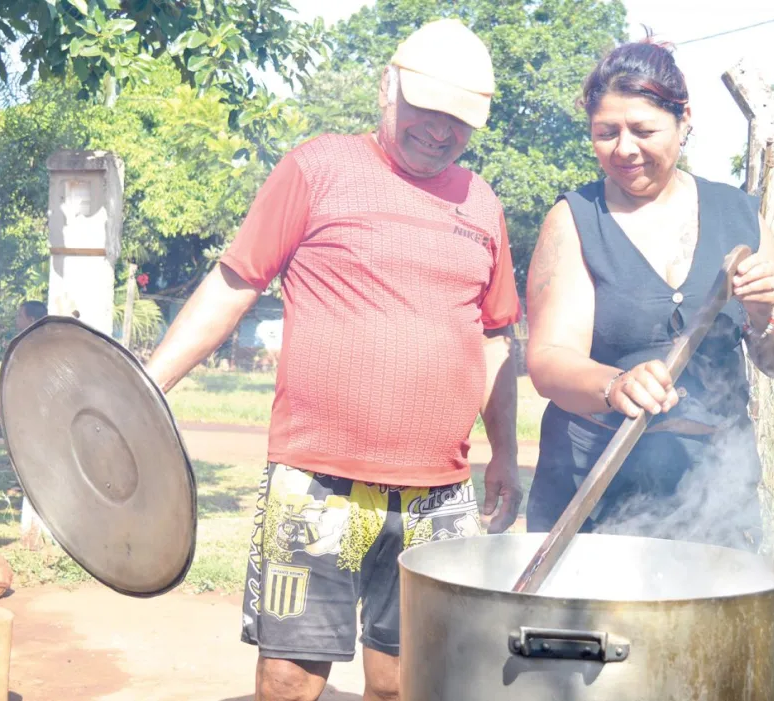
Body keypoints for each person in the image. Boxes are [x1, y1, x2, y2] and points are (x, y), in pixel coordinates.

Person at [145, 19, 522, 701]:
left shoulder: (482, 203)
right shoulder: (316, 168)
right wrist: (148, 387)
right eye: (428, 112)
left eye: (458, 123)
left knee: (408, 682)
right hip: (315, 488)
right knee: (289, 679)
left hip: (436, 497)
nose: (440, 133)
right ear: (389, 87)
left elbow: (496, 336)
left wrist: (502, 452)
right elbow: (235, 283)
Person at [524, 38, 774, 550]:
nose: (624, 149)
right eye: (605, 132)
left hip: (716, 496)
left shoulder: (739, 216)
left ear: (685, 121)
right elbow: (549, 360)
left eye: (643, 130)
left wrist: (769, 312)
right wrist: (615, 384)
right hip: (591, 493)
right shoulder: (573, 220)